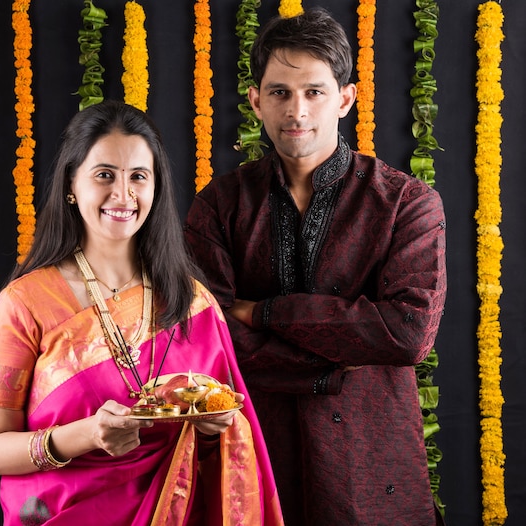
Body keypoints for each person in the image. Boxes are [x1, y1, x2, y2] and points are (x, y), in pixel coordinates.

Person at [184, 7, 447, 526]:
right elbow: (203, 334)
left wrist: (262, 313)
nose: (296, 111)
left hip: (372, 468)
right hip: (256, 454)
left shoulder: (405, 203)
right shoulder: (219, 204)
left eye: (314, 92)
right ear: (256, 100)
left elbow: (407, 333)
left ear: (345, 98)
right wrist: (335, 363)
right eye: (280, 92)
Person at [0, 100, 284, 526]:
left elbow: (225, 434)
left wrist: (215, 429)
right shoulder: (25, 305)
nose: (123, 194)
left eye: (139, 176)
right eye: (104, 175)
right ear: (71, 184)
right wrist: (87, 435)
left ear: (156, 188)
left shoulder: (192, 303)